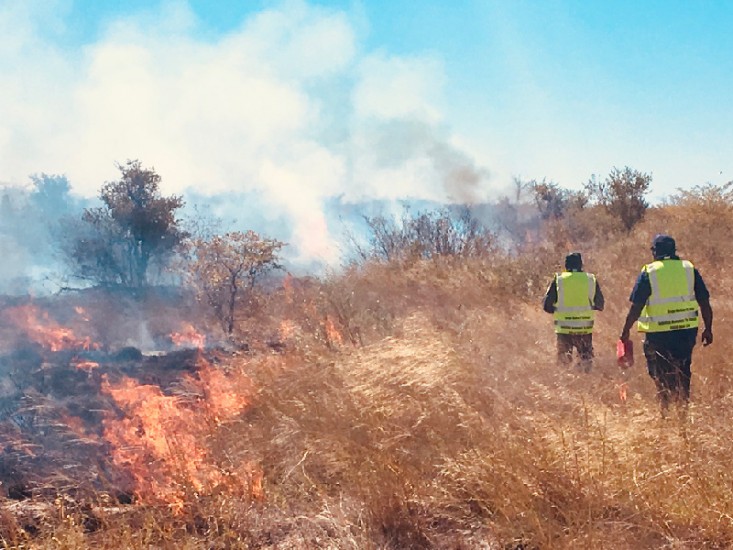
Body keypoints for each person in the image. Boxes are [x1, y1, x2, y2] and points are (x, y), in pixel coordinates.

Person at [619, 234, 713, 417]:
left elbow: (636, 306)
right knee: (683, 370)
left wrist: (626, 330)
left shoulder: (649, 271)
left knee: (660, 374)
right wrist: (708, 328)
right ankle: (682, 413)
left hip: (658, 334)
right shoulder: (689, 269)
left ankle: (665, 412)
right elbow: (704, 302)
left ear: (655, 251)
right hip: (686, 332)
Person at [543, 252, 605, 372]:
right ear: (581, 265)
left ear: (566, 266)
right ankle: (586, 386)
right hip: (584, 330)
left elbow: (546, 306)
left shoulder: (559, 280)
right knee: (586, 362)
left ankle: (567, 387)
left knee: (563, 365)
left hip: (564, 330)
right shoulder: (591, 279)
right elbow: (600, 304)